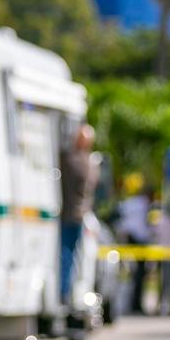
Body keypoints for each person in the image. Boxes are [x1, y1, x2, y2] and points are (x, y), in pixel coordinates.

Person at [58, 122, 99, 304]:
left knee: (67, 256)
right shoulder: (91, 163)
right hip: (79, 215)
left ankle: (64, 293)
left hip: (70, 215)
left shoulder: (74, 161)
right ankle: (69, 294)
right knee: (76, 258)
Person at [116, 180, 152, 315]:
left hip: (132, 238)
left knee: (135, 275)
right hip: (136, 240)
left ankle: (134, 303)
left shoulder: (132, 203)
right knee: (136, 275)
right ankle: (134, 303)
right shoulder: (140, 204)